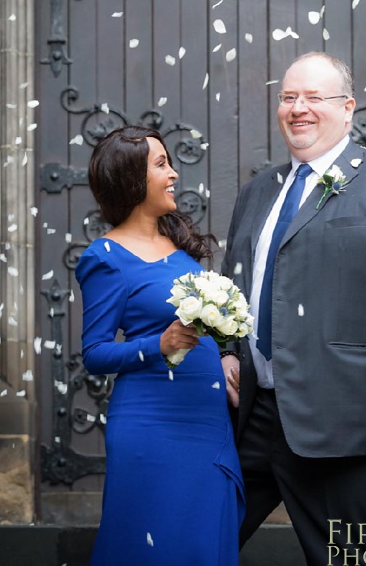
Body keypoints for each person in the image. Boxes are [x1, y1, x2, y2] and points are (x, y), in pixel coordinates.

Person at [221, 51, 366, 566]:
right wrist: (228, 350)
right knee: (198, 545)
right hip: (252, 418)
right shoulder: (257, 192)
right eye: (289, 97)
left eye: (313, 97)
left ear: (347, 109)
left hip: (349, 424)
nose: (298, 108)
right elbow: (233, 286)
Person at [75, 126, 244, 566]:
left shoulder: (177, 242)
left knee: (203, 542)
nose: (173, 174)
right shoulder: (105, 257)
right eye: (161, 164)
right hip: (153, 425)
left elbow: (202, 328)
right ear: (131, 178)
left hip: (206, 421)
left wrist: (225, 355)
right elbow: (93, 353)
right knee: (154, 545)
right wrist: (157, 344)